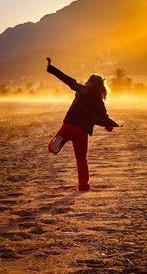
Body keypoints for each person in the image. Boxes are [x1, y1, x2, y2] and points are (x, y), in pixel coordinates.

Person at [46, 57, 121, 191]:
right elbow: (104, 119)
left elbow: (68, 80)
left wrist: (51, 68)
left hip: (69, 123)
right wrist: (111, 126)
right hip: (82, 131)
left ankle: (56, 143)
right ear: (101, 87)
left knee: (52, 147)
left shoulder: (82, 90)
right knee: (81, 159)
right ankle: (83, 186)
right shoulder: (99, 102)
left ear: (89, 83)